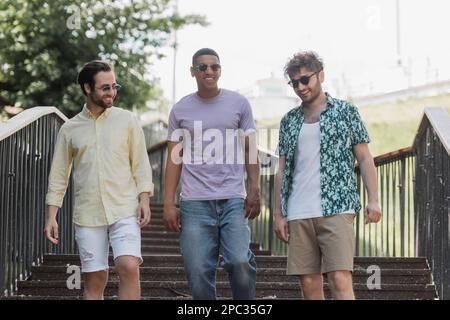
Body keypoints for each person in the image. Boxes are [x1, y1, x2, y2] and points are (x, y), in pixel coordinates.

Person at [274, 51, 382, 300]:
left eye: (305, 80)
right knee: (309, 285)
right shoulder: (289, 121)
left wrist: (373, 199)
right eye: (294, 83)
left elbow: (365, 158)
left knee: (339, 279)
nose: (300, 87)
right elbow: (282, 171)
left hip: (337, 206)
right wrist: (279, 214)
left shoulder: (346, 111)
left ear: (320, 75)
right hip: (299, 209)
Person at [44, 60, 154, 300]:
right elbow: (59, 174)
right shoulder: (70, 129)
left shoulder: (127, 121)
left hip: (124, 208)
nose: (111, 93)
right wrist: (52, 215)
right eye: (105, 88)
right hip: (88, 213)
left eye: (114, 87)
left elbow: (140, 163)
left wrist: (144, 198)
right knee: (95, 278)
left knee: (128, 266)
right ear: (87, 88)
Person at [163, 48, 261, 300]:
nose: (209, 71)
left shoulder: (239, 103)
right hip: (194, 203)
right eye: (203, 67)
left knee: (239, 261)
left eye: (214, 67)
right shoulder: (180, 109)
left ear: (220, 70)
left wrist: (254, 189)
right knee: (197, 269)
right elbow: (174, 159)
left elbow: (251, 148)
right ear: (192, 71)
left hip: (232, 198)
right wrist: (168, 203)